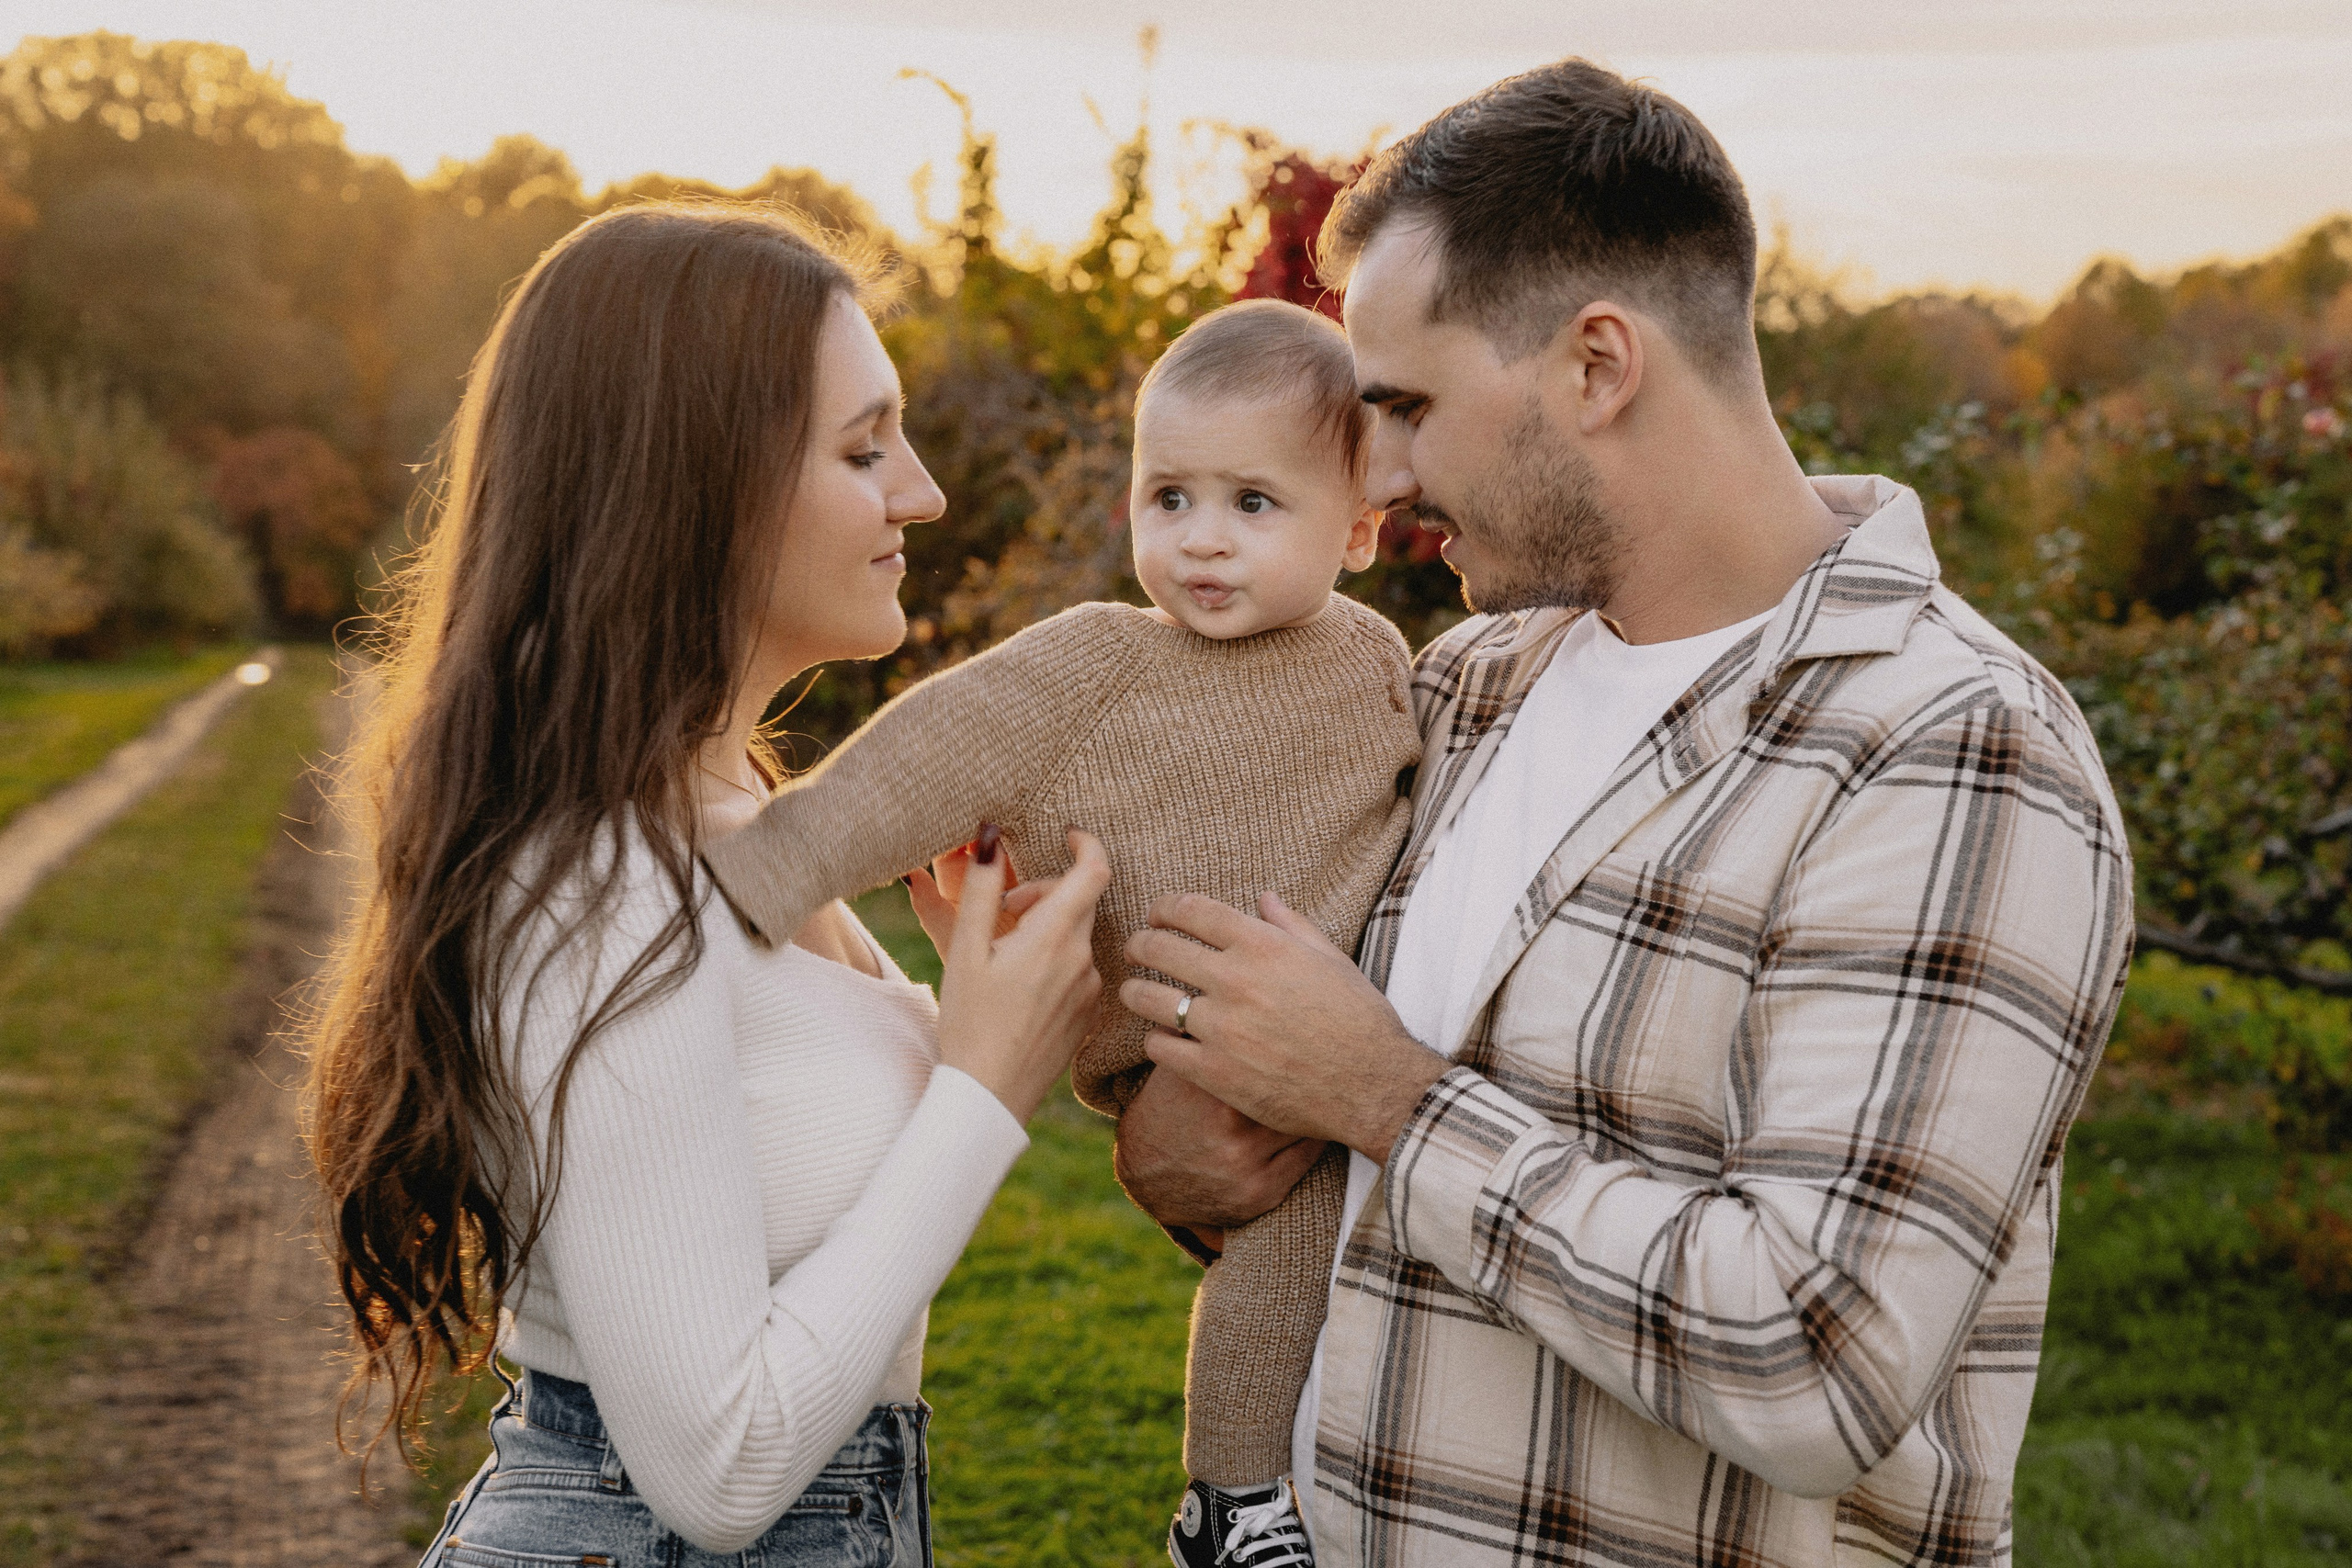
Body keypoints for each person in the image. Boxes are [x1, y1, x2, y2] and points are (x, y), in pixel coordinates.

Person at [1113, 59, 2134, 1568]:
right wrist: (1174, 1146)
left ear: (1597, 365)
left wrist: (1387, 1094)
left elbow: (1816, 1357)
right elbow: (1334, 1167)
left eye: (1406, 406)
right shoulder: (1464, 686)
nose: (1375, 480)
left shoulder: (1950, 751)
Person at [306, 204, 1112, 1567]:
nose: (923, 492)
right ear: (700, 485)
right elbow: (720, 1467)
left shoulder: (739, 814)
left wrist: (960, 1004)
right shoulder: (599, 879)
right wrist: (978, 1085)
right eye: (865, 448)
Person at [701, 298, 1421, 1568]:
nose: (1202, 541)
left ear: (1359, 531)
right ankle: (1234, 1497)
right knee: (1285, 1228)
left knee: (1320, 1248)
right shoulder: (1098, 662)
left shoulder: (1379, 662)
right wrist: (756, 875)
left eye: (1255, 505)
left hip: (1333, 1034)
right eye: (1169, 498)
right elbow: (921, 763)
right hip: (1179, 1045)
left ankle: (1264, 1484)